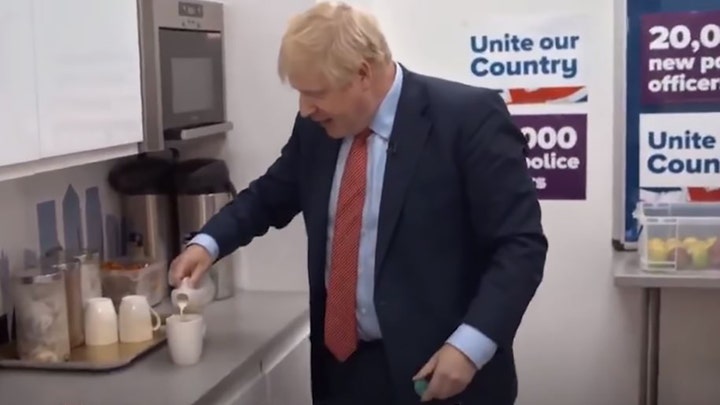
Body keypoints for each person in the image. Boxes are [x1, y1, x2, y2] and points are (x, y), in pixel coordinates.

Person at [169, 2, 548, 404]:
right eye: (299, 93)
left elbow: (520, 246)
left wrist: (471, 346)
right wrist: (207, 244)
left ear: (362, 74)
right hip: (344, 372)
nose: (305, 109)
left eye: (315, 93)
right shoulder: (317, 128)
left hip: (441, 373)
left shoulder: (468, 119)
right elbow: (269, 196)